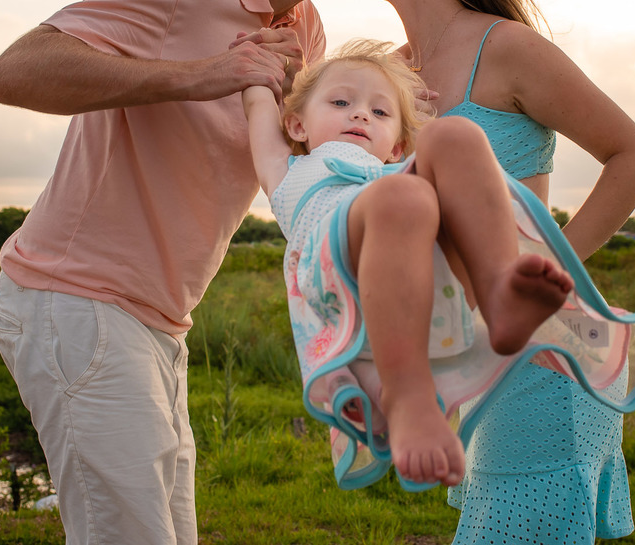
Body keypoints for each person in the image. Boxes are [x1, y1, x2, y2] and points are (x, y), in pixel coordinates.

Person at [0, 0, 373, 545]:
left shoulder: (307, 29)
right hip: (75, 298)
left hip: (163, 322)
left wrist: (390, 102)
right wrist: (203, 73)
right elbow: (15, 71)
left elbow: (294, 161)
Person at [362, 0, 635, 543]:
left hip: (544, 365)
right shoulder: (389, 76)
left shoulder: (509, 49)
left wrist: (550, 269)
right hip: (471, 368)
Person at [242, 39, 574, 488]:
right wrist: (262, 57)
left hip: (424, 271)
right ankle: (406, 396)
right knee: (405, 196)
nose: (360, 113)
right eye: (341, 102)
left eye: (380, 112)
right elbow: (258, 98)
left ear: (397, 147)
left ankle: (498, 295)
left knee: (453, 134)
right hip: (339, 278)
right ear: (297, 124)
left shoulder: (394, 173)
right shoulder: (286, 172)